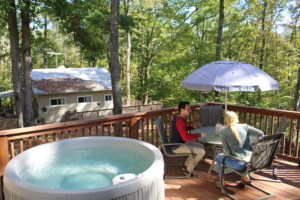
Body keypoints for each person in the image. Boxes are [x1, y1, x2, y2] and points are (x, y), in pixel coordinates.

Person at [215, 111, 264, 186]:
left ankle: (220, 180)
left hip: (240, 165)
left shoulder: (223, 132)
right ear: (236, 118)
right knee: (235, 157)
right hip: (253, 161)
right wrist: (257, 145)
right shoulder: (244, 126)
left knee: (218, 157)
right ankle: (245, 177)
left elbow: (228, 153)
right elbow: (261, 133)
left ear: (225, 120)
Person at [170, 101, 206, 175]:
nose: (190, 110)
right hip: (177, 146)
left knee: (201, 146)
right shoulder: (179, 120)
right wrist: (199, 134)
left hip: (181, 142)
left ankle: (187, 165)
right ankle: (189, 170)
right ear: (182, 110)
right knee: (201, 152)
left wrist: (191, 127)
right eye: (188, 109)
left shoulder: (179, 118)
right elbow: (186, 137)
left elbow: (182, 130)